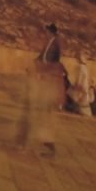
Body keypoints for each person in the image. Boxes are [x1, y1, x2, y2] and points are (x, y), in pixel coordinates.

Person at [19, 23, 65, 156]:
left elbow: (54, 61)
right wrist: (32, 65)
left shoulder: (56, 43)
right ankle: (37, 141)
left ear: (51, 32)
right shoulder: (48, 43)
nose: (44, 34)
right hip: (43, 76)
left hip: (48, 77)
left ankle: (46, 144)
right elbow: (41, 57)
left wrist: (45, 70)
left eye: (46, 31)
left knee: (43, 112)